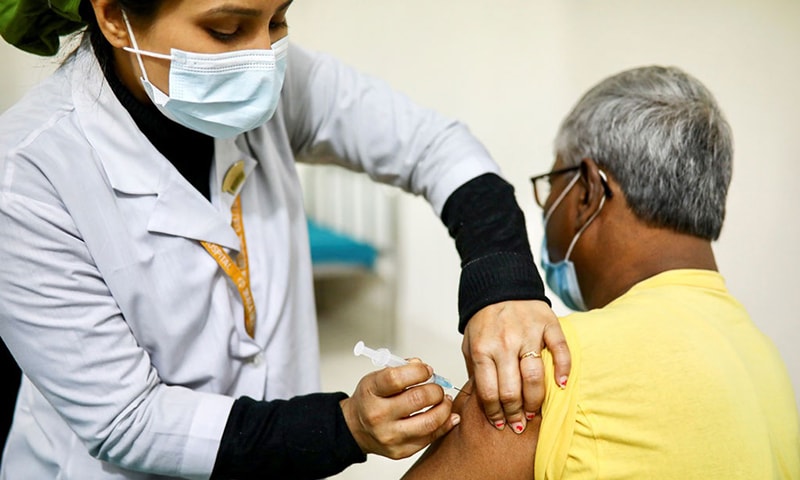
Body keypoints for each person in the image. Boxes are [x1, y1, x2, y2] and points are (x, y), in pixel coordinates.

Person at [0, 0, 573, 478]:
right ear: (114, 16)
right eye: (226, 30)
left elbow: (436, 147)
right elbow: (130, 420)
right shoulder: (28, 176)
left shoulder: (274, 77)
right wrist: (342, 427)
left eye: (278, 21)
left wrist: (502, 283)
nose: (261, 56)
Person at [402, 65, 800, 479]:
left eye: (553, 185)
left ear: (588, 190)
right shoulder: (766, 361)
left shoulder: (550, 364)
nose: (547, 206)